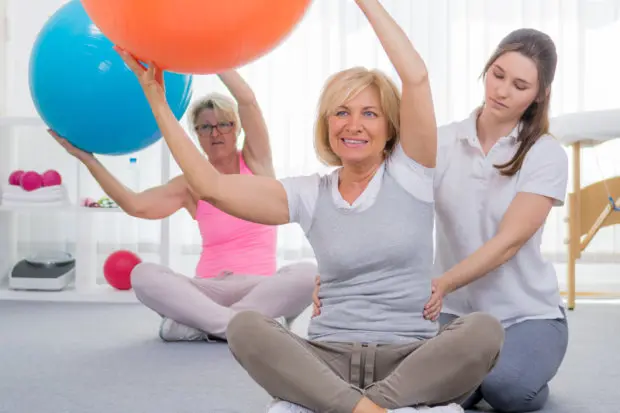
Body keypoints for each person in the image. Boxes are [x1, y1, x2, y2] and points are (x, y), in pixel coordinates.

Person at [116, 0, 505, 412]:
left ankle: (357, 407)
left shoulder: (412, 173)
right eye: (341, 112)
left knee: (484, 330)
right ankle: (363, 408)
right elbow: (211, 186)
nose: (353, 124)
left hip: (407, 357)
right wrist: (156, 98)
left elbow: (417, 77)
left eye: (369, 113)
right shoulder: (309, 193)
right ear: (327, 124)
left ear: (391, 126)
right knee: (246, 327)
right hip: (328, 358)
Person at [313, 28, 568, 413]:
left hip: (526, 314)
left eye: (519, 85)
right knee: (422, 394)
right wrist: (333, 275)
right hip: (450, 313)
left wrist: (443, 282)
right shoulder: (442, 143)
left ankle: (505, 371)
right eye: (497, 75)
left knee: (508, 391)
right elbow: (376, 207)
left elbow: (508, 243)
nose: (501, 91)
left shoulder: (546, 154)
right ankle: (475, 375)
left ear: (539, 94)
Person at [50, 69, 317, 343]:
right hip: (208, 289)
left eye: (224, 124)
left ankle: (203, 325)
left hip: (260, 286)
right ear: (196, 135)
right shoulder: (189, 185)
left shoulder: (256, 162)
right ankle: (246, 325)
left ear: (237, 129)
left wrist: (215, 61)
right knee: (142, 274)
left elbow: (247, 101)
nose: (216, 133)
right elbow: (136, 205)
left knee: (309, 272)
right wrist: (89, 161)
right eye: (205, 127)